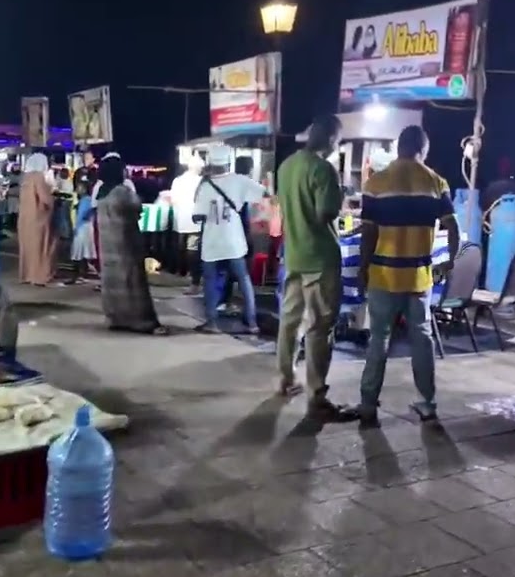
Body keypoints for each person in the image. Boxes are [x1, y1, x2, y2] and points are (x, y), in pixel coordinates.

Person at [357, 125, 461, 426]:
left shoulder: (376, 182)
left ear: (398, 147)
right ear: (423, 150)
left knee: (379, 339)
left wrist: (363, 268)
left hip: (383, 274)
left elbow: (368, 232)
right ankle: (427, 402)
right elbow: (453, 228)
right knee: (422, 338)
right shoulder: (436, 182)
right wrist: (450, 263)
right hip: (418, 277)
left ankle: (367, 403)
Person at [276, 115, 349, 417]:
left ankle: (286, 379)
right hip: (320, 259)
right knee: (320, 327)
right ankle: (317, 395)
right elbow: (326, 213)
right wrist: (340, 192)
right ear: (332, 139)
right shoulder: (323, 169)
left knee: (290, 321)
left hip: (293, 254)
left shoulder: (287, 166)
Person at [193, 145, 265, 334]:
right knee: (243, 279)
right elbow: (264, 194)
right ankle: (252, 323)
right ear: (228, 162)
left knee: (210, 280)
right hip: (234, 240)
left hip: (212, 242)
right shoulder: (239, 181)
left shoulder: (205, 185)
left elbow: (197, 216)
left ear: (211, 163)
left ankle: (212, 323)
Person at [95, 154, 168, 335]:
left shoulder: (102, 191)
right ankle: (141, 321)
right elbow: (137, 207)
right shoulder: (121, 192)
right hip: (125, 242)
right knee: (132, 281)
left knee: (112, 280)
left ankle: (116, 318)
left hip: (107, 242)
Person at [17, 152, 57, 285]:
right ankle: (39, 276)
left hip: (24, 219)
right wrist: (53, 199)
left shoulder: (25, 178)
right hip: (38, 219)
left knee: (27, 249)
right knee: (40, 248)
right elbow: (45, 199)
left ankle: (26, 275)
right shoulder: (39, 177)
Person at [170, 155, 205, 295]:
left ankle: (182, 273)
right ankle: (193, 279)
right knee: (193, 250)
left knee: (181, 248)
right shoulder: (201, 181)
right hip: (195, 221)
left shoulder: (177, 181)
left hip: (180, 220)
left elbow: (173, 199)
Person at [69, 179, 97, 283]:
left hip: (82, 228)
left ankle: (77, 276)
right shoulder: (87, 200)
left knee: (78, 252)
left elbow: (81, 216)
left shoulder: (85, 201)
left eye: (79, 187)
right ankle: (82, 275)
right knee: (84, 252)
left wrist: (76, 227)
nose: (77, 189)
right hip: (86, 227)